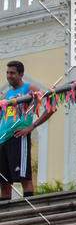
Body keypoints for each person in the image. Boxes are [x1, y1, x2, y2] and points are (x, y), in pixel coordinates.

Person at [1, 61, 55, 202]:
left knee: (24, 177)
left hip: (18, 136)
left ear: (21, 74)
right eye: (7, 73)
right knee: (4, 181)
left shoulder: (28, 88)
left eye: (12, 73)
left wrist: (32, 126)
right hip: (3, 139)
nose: (9, 76)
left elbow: (52, 105)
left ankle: (30, 210)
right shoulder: (8, 93)